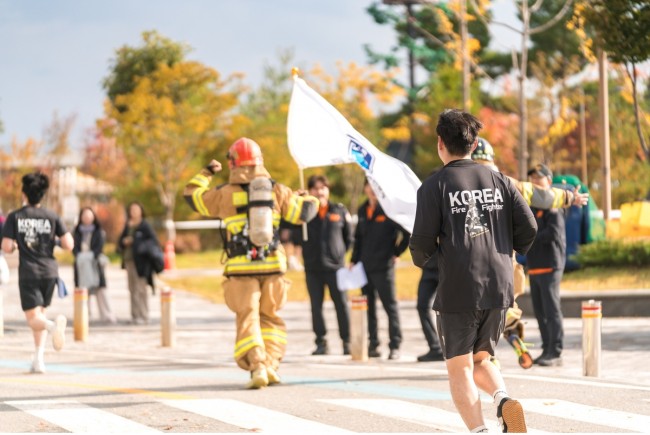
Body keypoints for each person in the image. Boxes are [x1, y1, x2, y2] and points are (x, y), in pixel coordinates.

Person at [410, 109, 537, 433]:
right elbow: (530, 228)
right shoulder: (500, 180)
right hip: (500, 285)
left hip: (460, 287)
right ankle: (503, 399)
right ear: (475, 142)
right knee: (481, 359)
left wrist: (430, 259)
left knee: (459, 368)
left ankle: (479, 430)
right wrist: (502, 250)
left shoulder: (434, 187)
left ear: (440, 143)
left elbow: (421, 245)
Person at [183, 137, 319, 389]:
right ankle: (271, 364)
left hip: (241, 268)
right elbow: (305, 213)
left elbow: (192, 196)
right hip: (273, 266)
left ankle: (257, 366)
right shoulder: (277, 190)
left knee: (248, 317)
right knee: (271, 317)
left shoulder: (224, 194)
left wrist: (206, 172)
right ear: (260, 161)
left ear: (232, 163)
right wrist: (308, 198)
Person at [471, 137, 588, 369]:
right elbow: (540, 195)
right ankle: (512, 328)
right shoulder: (506, 182)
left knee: (477, 309)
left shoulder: (457, 184)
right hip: (504, 259)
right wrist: (570, 197)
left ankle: (487, 355)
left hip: (475, 259)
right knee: (505, 305)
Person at [1, 172, 74, 373]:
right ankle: (38, 359)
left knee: (34, 319)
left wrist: (16, 245)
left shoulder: (15, 217)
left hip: (29, 271)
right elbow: (69, 244)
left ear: (24, 193)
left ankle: (52, 326)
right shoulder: (52, 216)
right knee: (39, 315)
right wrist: (53, 241)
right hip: (50, 271)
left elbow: (6, 246)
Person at [351, 180, 410, 360]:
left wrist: (396, 252)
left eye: (376, 186)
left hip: (384, 267)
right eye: (369, 185)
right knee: (369, 308)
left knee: (389, 306)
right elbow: (358, 238)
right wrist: (353, 260)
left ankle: (395, 345)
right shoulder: (362, 210)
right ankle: (373, 344)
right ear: (365, 188)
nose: (372, 190)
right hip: (365, 267)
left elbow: (407, 233)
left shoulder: (388, 209)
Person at [297, 174, 352, 356]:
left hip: (336, 268)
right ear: (310, 191)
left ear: (327, 190)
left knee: (341, 305)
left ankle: (347, 341)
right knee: (316, 307)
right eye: (315, 188)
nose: (319, 192)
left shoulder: (339, 210)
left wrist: (339, 255)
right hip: (313, 268)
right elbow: (292, 232)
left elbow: (349, 238)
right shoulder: (305, 212)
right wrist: (299, 203)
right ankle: (321, 342)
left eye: (322, 188)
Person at [526, 163, 567, 367]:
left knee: (551, 311)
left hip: (550, 265)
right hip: (534, 266)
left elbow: (553, 233)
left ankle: (556, 351)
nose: (535, 181)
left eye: (538, 178)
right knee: (540, 312)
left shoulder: (553, 205)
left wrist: (530, 236)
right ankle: (546, 349)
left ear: (549, 180)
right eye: (532, 178)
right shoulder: (531, 206)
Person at [117, 202, 160, 325]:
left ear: (141, 211)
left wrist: (135, 241)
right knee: (132, 289)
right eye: (132, 209)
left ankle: (144, 315)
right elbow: (119, 242)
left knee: (141, 289)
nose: (134, 212)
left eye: (136, 209)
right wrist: (124, 242)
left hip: (142, 263)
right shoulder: (128, 225)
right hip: (129, 261)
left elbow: (153, 241)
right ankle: (135, 316)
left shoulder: (144, 225)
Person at [73, 207, 117, 325]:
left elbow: (99, 247)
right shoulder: (76, 231)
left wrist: (90, 255)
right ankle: (83, 315)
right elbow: (74, 248)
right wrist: (80, 256)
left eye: (89, 215)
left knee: (101, 290)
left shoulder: (99, 231)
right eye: (84, 215)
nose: (87, 218)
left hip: (95, 264)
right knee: (82, 290)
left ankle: (107, 315)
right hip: (81, 265)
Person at [415, 257, 445, 362]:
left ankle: (457, 348)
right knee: (422, 306)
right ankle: (435, 348)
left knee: (451, 308)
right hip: (428, 267)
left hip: (448, 267)